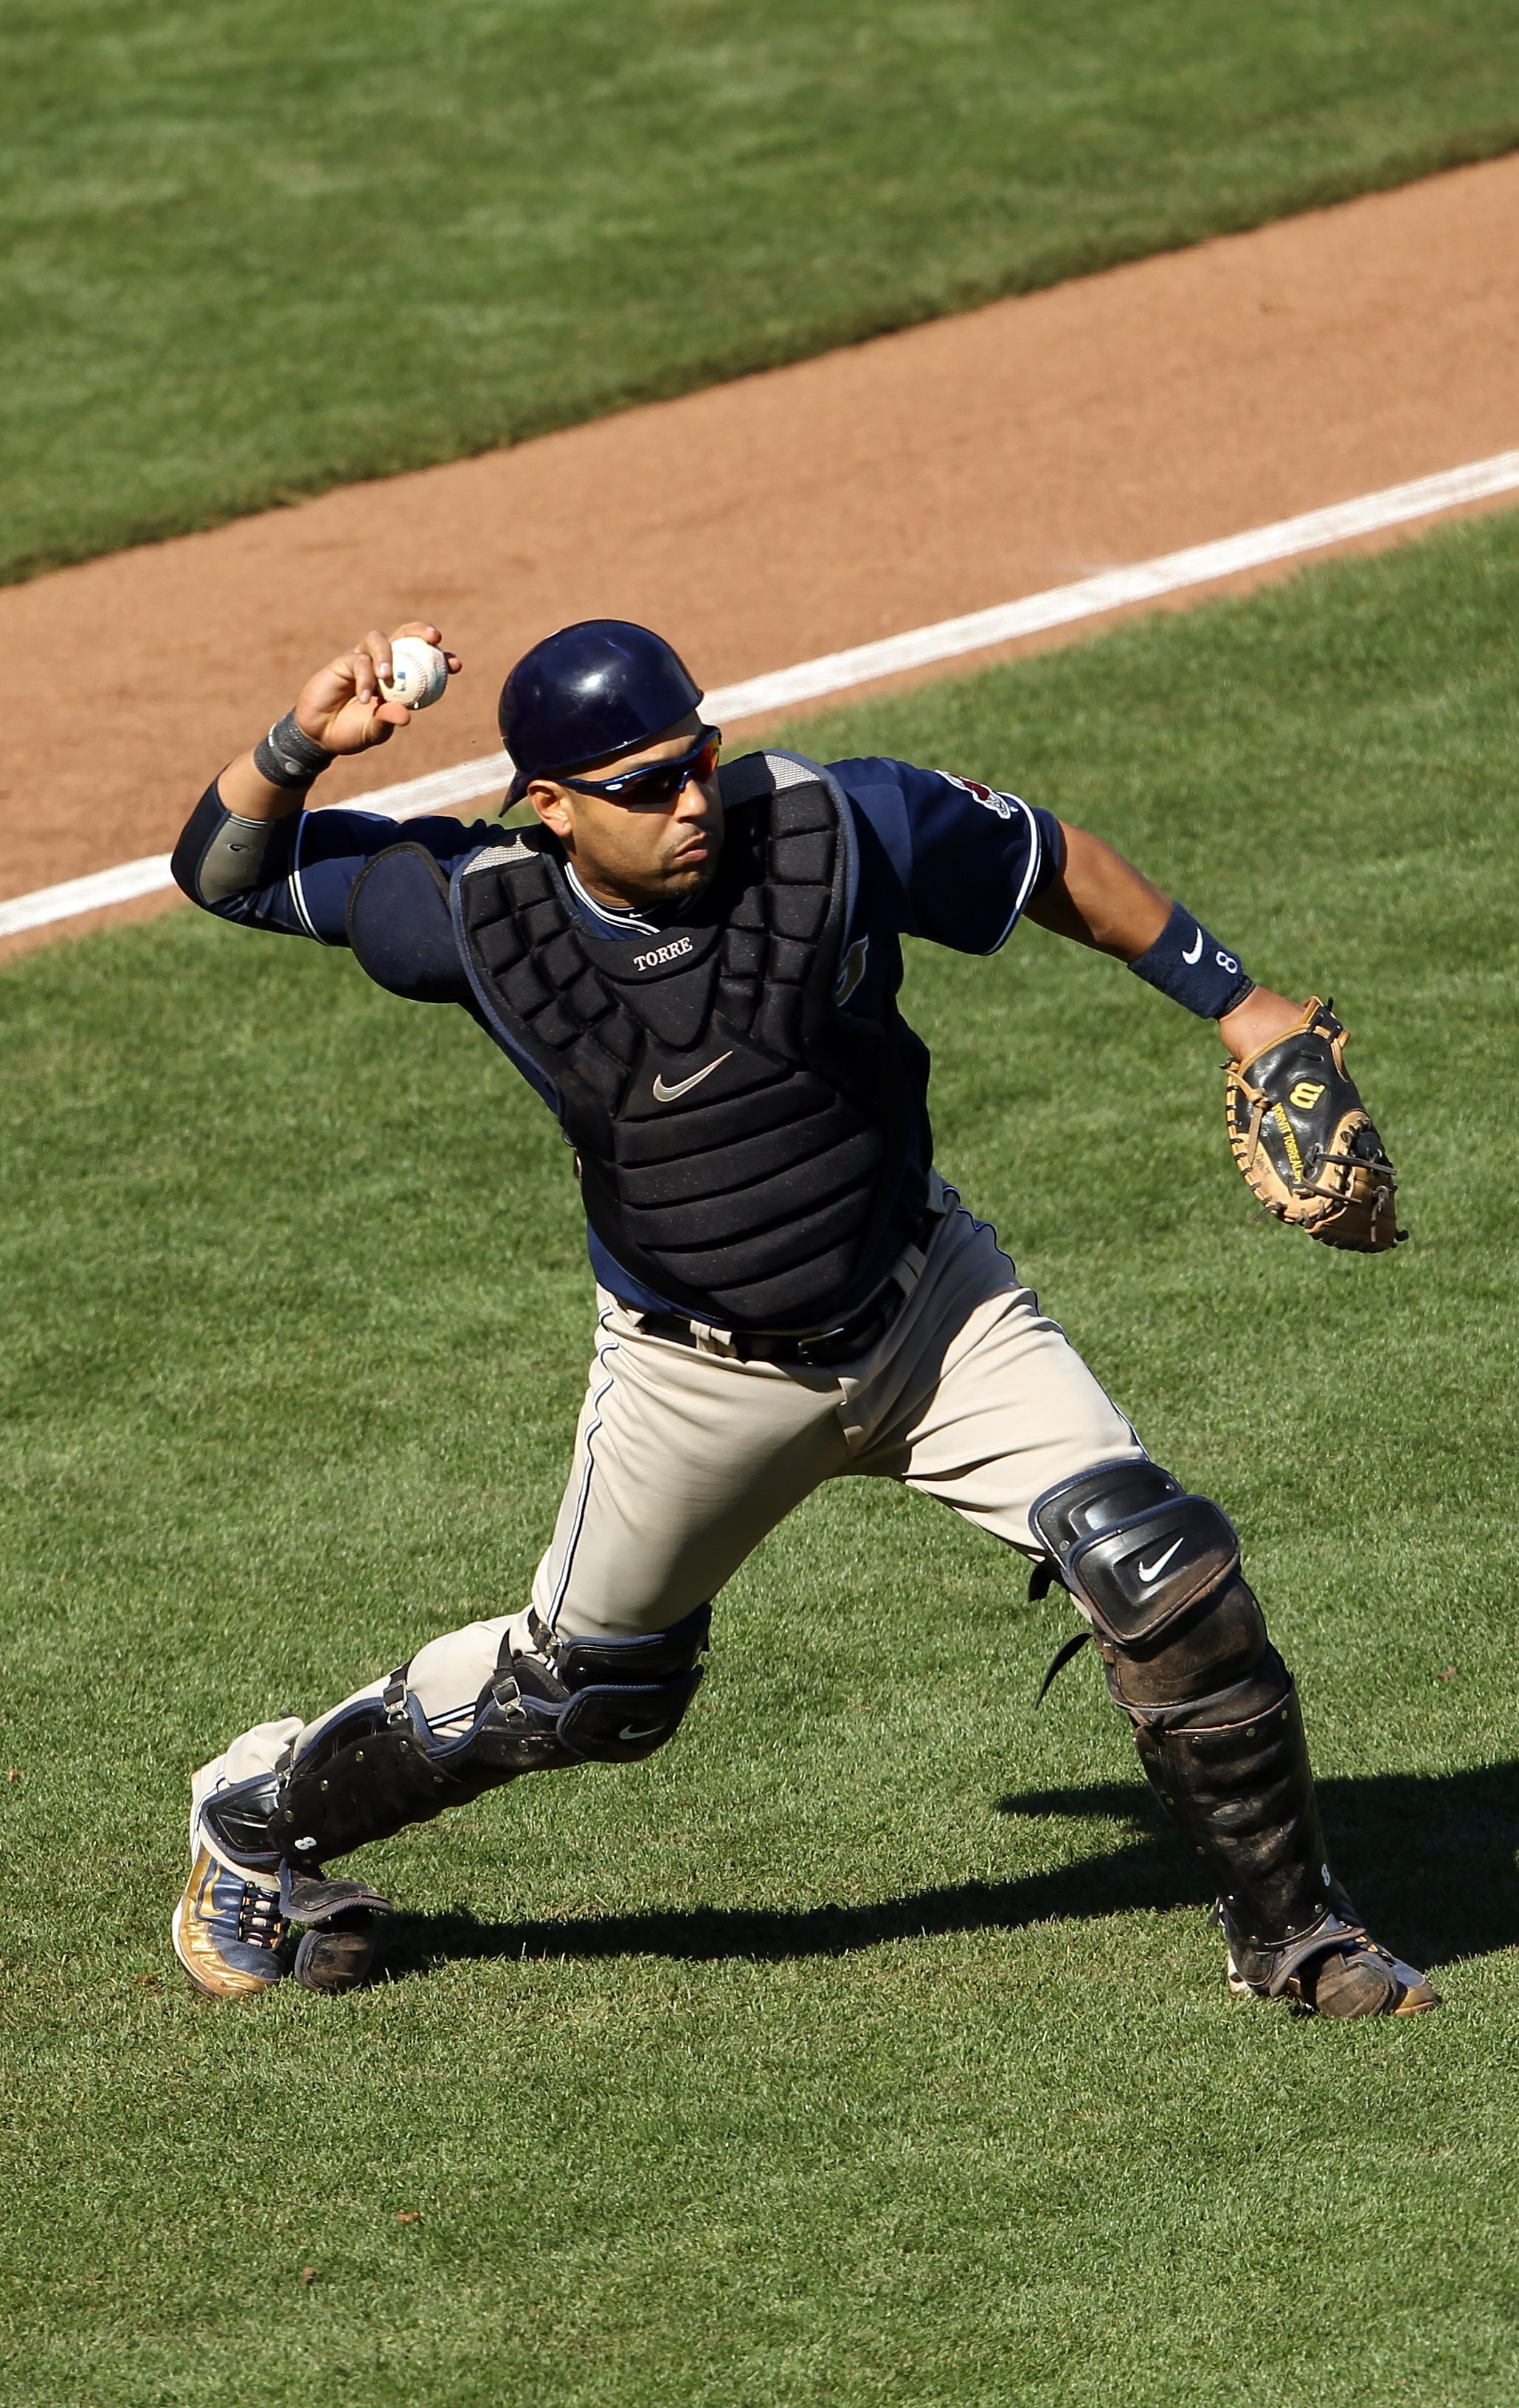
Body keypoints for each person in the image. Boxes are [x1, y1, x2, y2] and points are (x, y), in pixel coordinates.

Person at [167, 615, 1436, 2018]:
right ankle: (257, 1814)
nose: (692, 802)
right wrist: (297, 748)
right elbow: (226, 875)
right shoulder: (468, 908)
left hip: (930, 1311)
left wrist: (1241, 1005)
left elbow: (1044, 861)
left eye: (697, 762)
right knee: (589, 1694)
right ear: (551, 805)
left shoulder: (836, 826)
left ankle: (1297, 1940)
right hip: (691, 1372)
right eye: (644, 787)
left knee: (1163, 1568)